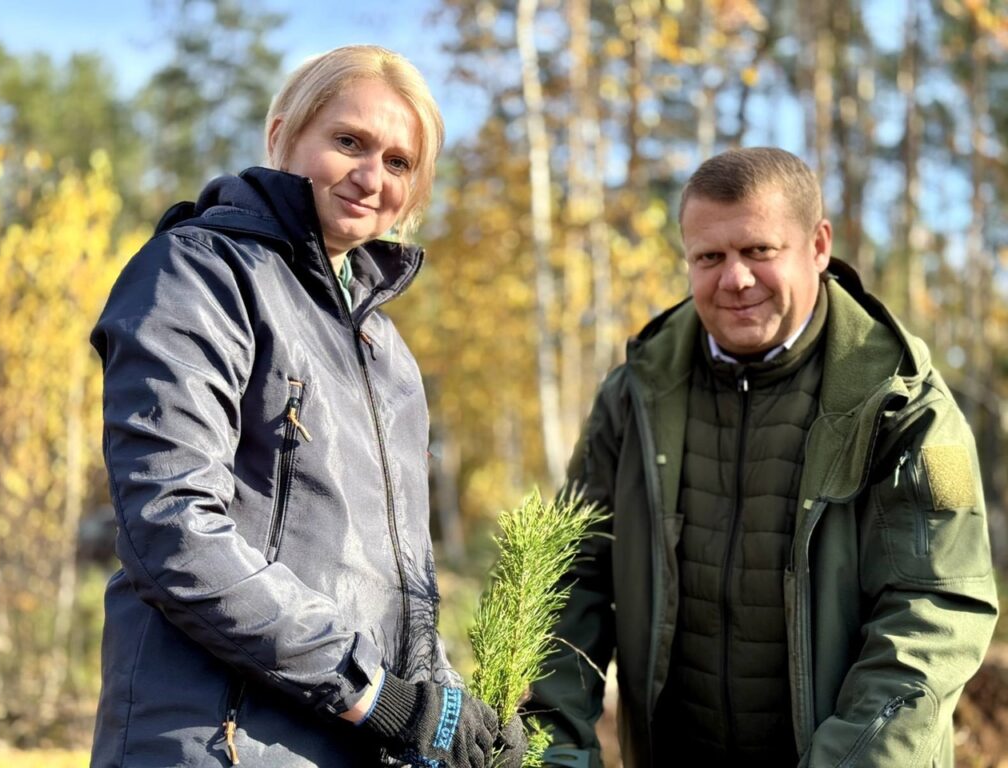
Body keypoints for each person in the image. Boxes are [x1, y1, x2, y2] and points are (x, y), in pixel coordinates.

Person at [90, 45, 524, 768]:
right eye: (348, 142)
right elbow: (172, 526)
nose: (369, 176)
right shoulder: (198, 273)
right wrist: (372, 692)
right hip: (213, 744)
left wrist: (448, 711)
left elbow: (398, 586)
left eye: (398, 162)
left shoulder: (387, 353)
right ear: (282, 135)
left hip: (339, 744)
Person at [526, 147, 998, 767]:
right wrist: (553, 753)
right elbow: (570, 584)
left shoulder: (904, 404)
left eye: (758, 251)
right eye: (709, 257)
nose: (735, 280)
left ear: (819, 246)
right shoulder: (633, 396)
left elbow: (933, 614)